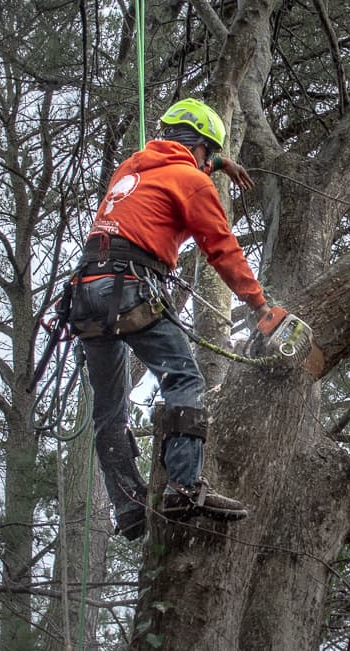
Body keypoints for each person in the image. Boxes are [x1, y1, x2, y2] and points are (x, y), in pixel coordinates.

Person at [68, 98, 280, 541]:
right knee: (184, 377)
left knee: (110, 409)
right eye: (208, 155)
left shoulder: (131, 169)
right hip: (127, 289)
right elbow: (221, 248)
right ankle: (184, 487)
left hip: (85, 294)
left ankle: (127, 506)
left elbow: (180, 156)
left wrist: (218, 160)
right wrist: (260, 305)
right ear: (200, 147)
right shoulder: (190, 181)